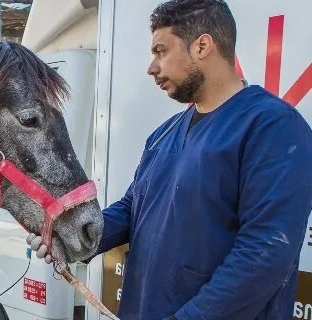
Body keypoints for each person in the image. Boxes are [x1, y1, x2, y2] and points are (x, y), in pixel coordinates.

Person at [28, 1, 312, 319]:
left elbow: (266, 250)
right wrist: (71, 238)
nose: (152, 67)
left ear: (202, 46)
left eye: (161, 51)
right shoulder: (164, 133)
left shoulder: (273, 127)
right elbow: (134, 208)